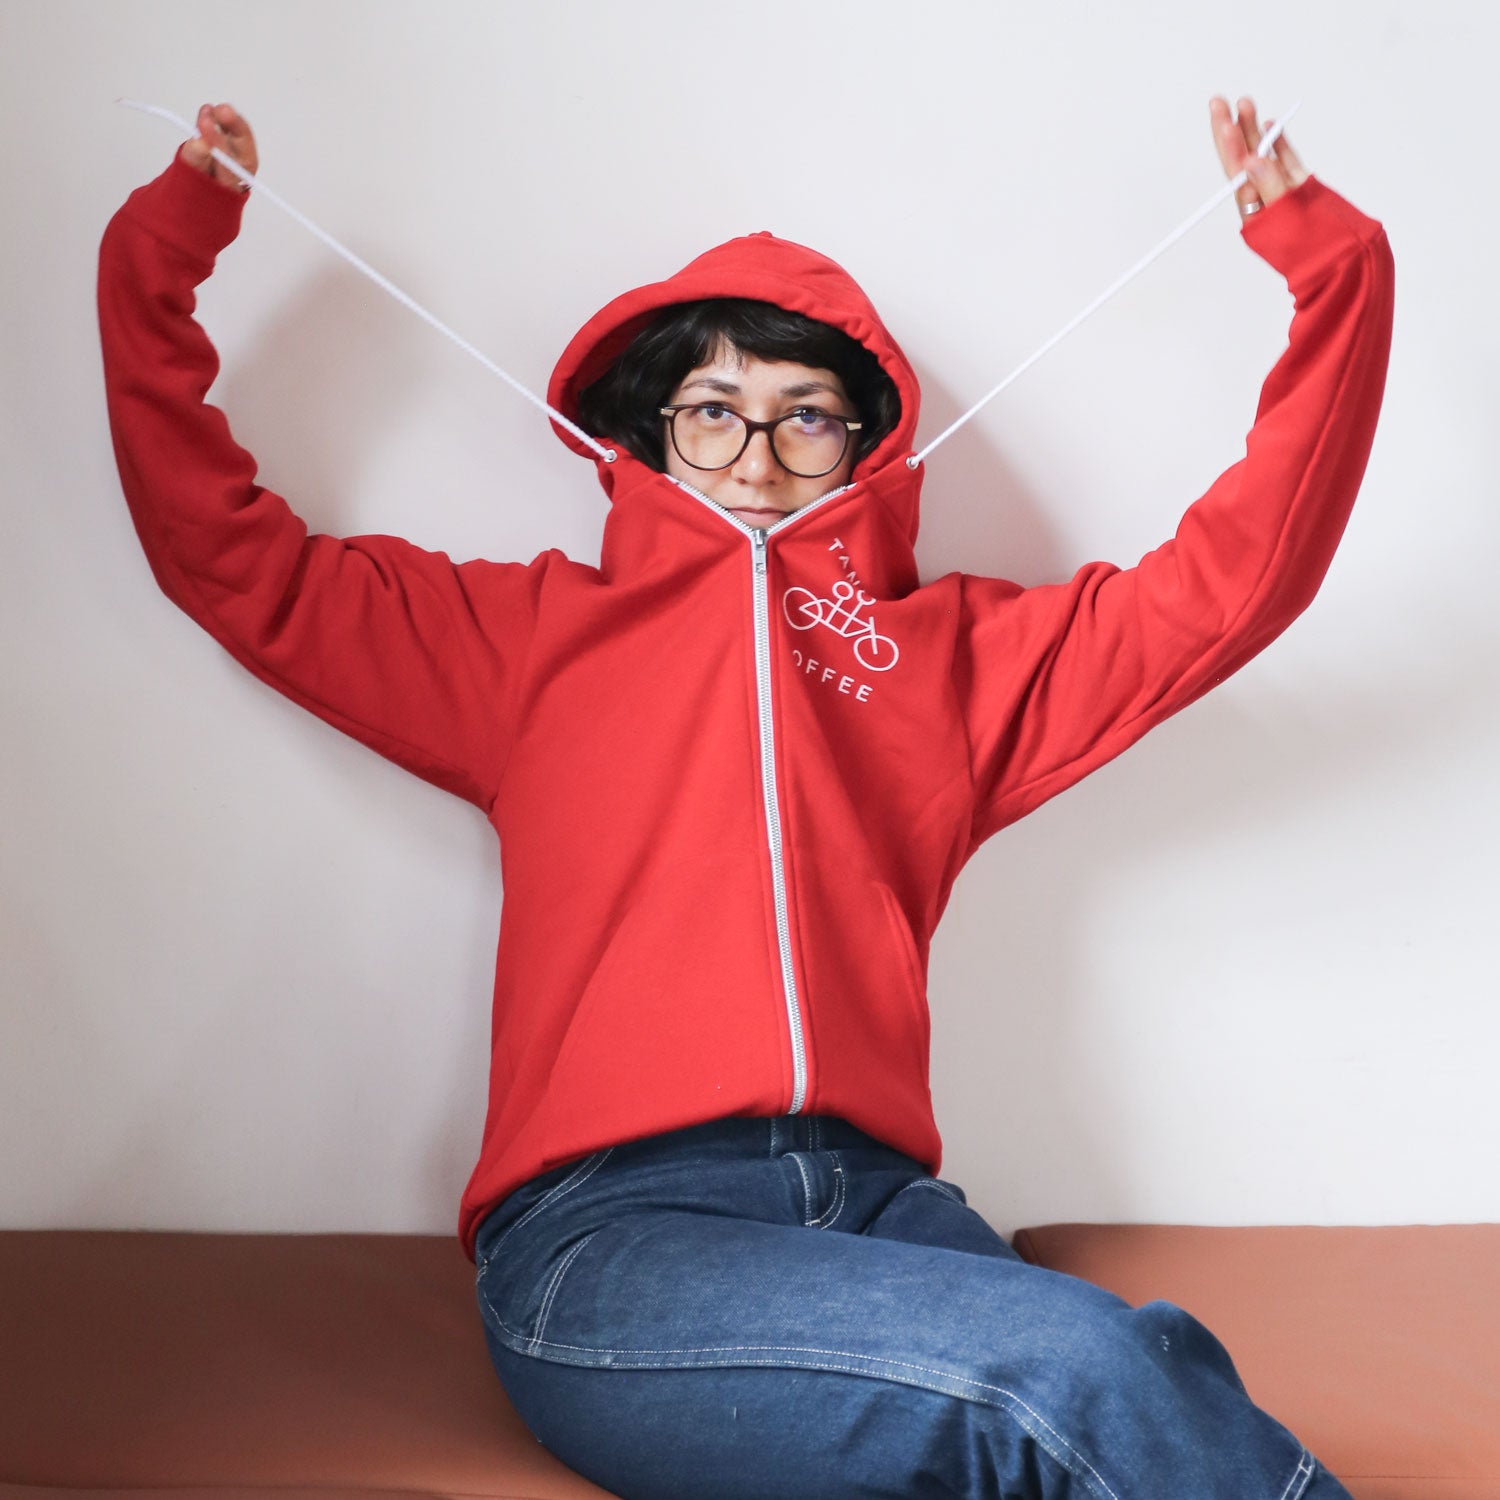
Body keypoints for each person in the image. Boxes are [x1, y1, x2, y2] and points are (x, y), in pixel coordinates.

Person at [98, 96, 1394, 1499]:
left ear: (867, 444)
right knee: (1069, 1366)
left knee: (1112, 1381)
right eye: (713, 412)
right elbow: (231, 556)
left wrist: (1334, 268)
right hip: (615, 1239)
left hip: (891, 1210)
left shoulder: (948, 662)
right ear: (649, 432)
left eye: (804, 420)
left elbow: (1232, 581)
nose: (756, 463)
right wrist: (166, 247)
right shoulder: (526, 643)